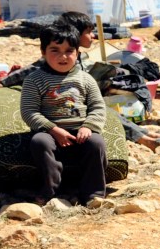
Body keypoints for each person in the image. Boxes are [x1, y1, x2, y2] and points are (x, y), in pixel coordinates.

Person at [0, 12, 160, 151]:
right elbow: (29, 70)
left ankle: (144, 133)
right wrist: (2, 82)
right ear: (76, 34)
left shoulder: (76, 55)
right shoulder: (57, 58)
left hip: (81, 98)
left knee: (104, 107)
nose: (92, 36)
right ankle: (144, 139)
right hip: (62, 108)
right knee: (108, 112)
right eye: (88, 32)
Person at [20, 23, 107, 206]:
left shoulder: (86, 79)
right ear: (43, 52)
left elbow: (98, 107)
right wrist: (53, 129)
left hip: (81, 132)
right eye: (55, 50)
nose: (63, 56)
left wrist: (88, 127)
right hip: (50, 133)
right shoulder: (34, 80)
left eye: (69, 51)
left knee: (96, 143)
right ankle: (50, 191)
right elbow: (29, 111)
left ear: (78, 53)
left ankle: (94, 193)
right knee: (39, 142)